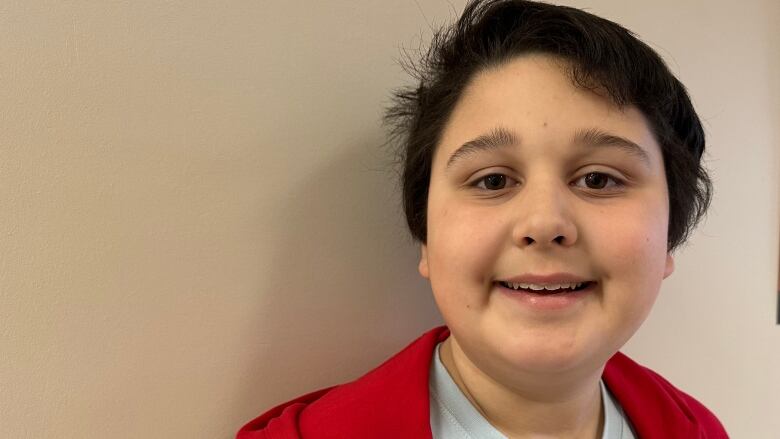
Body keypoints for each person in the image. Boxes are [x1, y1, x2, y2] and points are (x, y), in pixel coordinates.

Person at [237, 1, 728, 437]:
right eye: (493, 181)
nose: (543, 222)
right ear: (426, 239)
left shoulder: (701, 429)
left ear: (668, 237)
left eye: (598, 179)